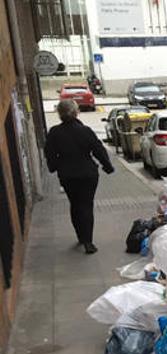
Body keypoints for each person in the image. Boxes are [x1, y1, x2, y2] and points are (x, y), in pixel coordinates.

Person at [45, 99, 114, 254]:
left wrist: (54, 167)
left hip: (67, 175)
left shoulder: (54, 132)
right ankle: (88, 241)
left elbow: (49, 153)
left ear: (60, 114)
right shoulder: (85, 130)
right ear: (76, 112)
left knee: (75, 204)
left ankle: (81, 236)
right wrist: (107, 166)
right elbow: (98, 149)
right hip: (87, 174)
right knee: (86, 205)